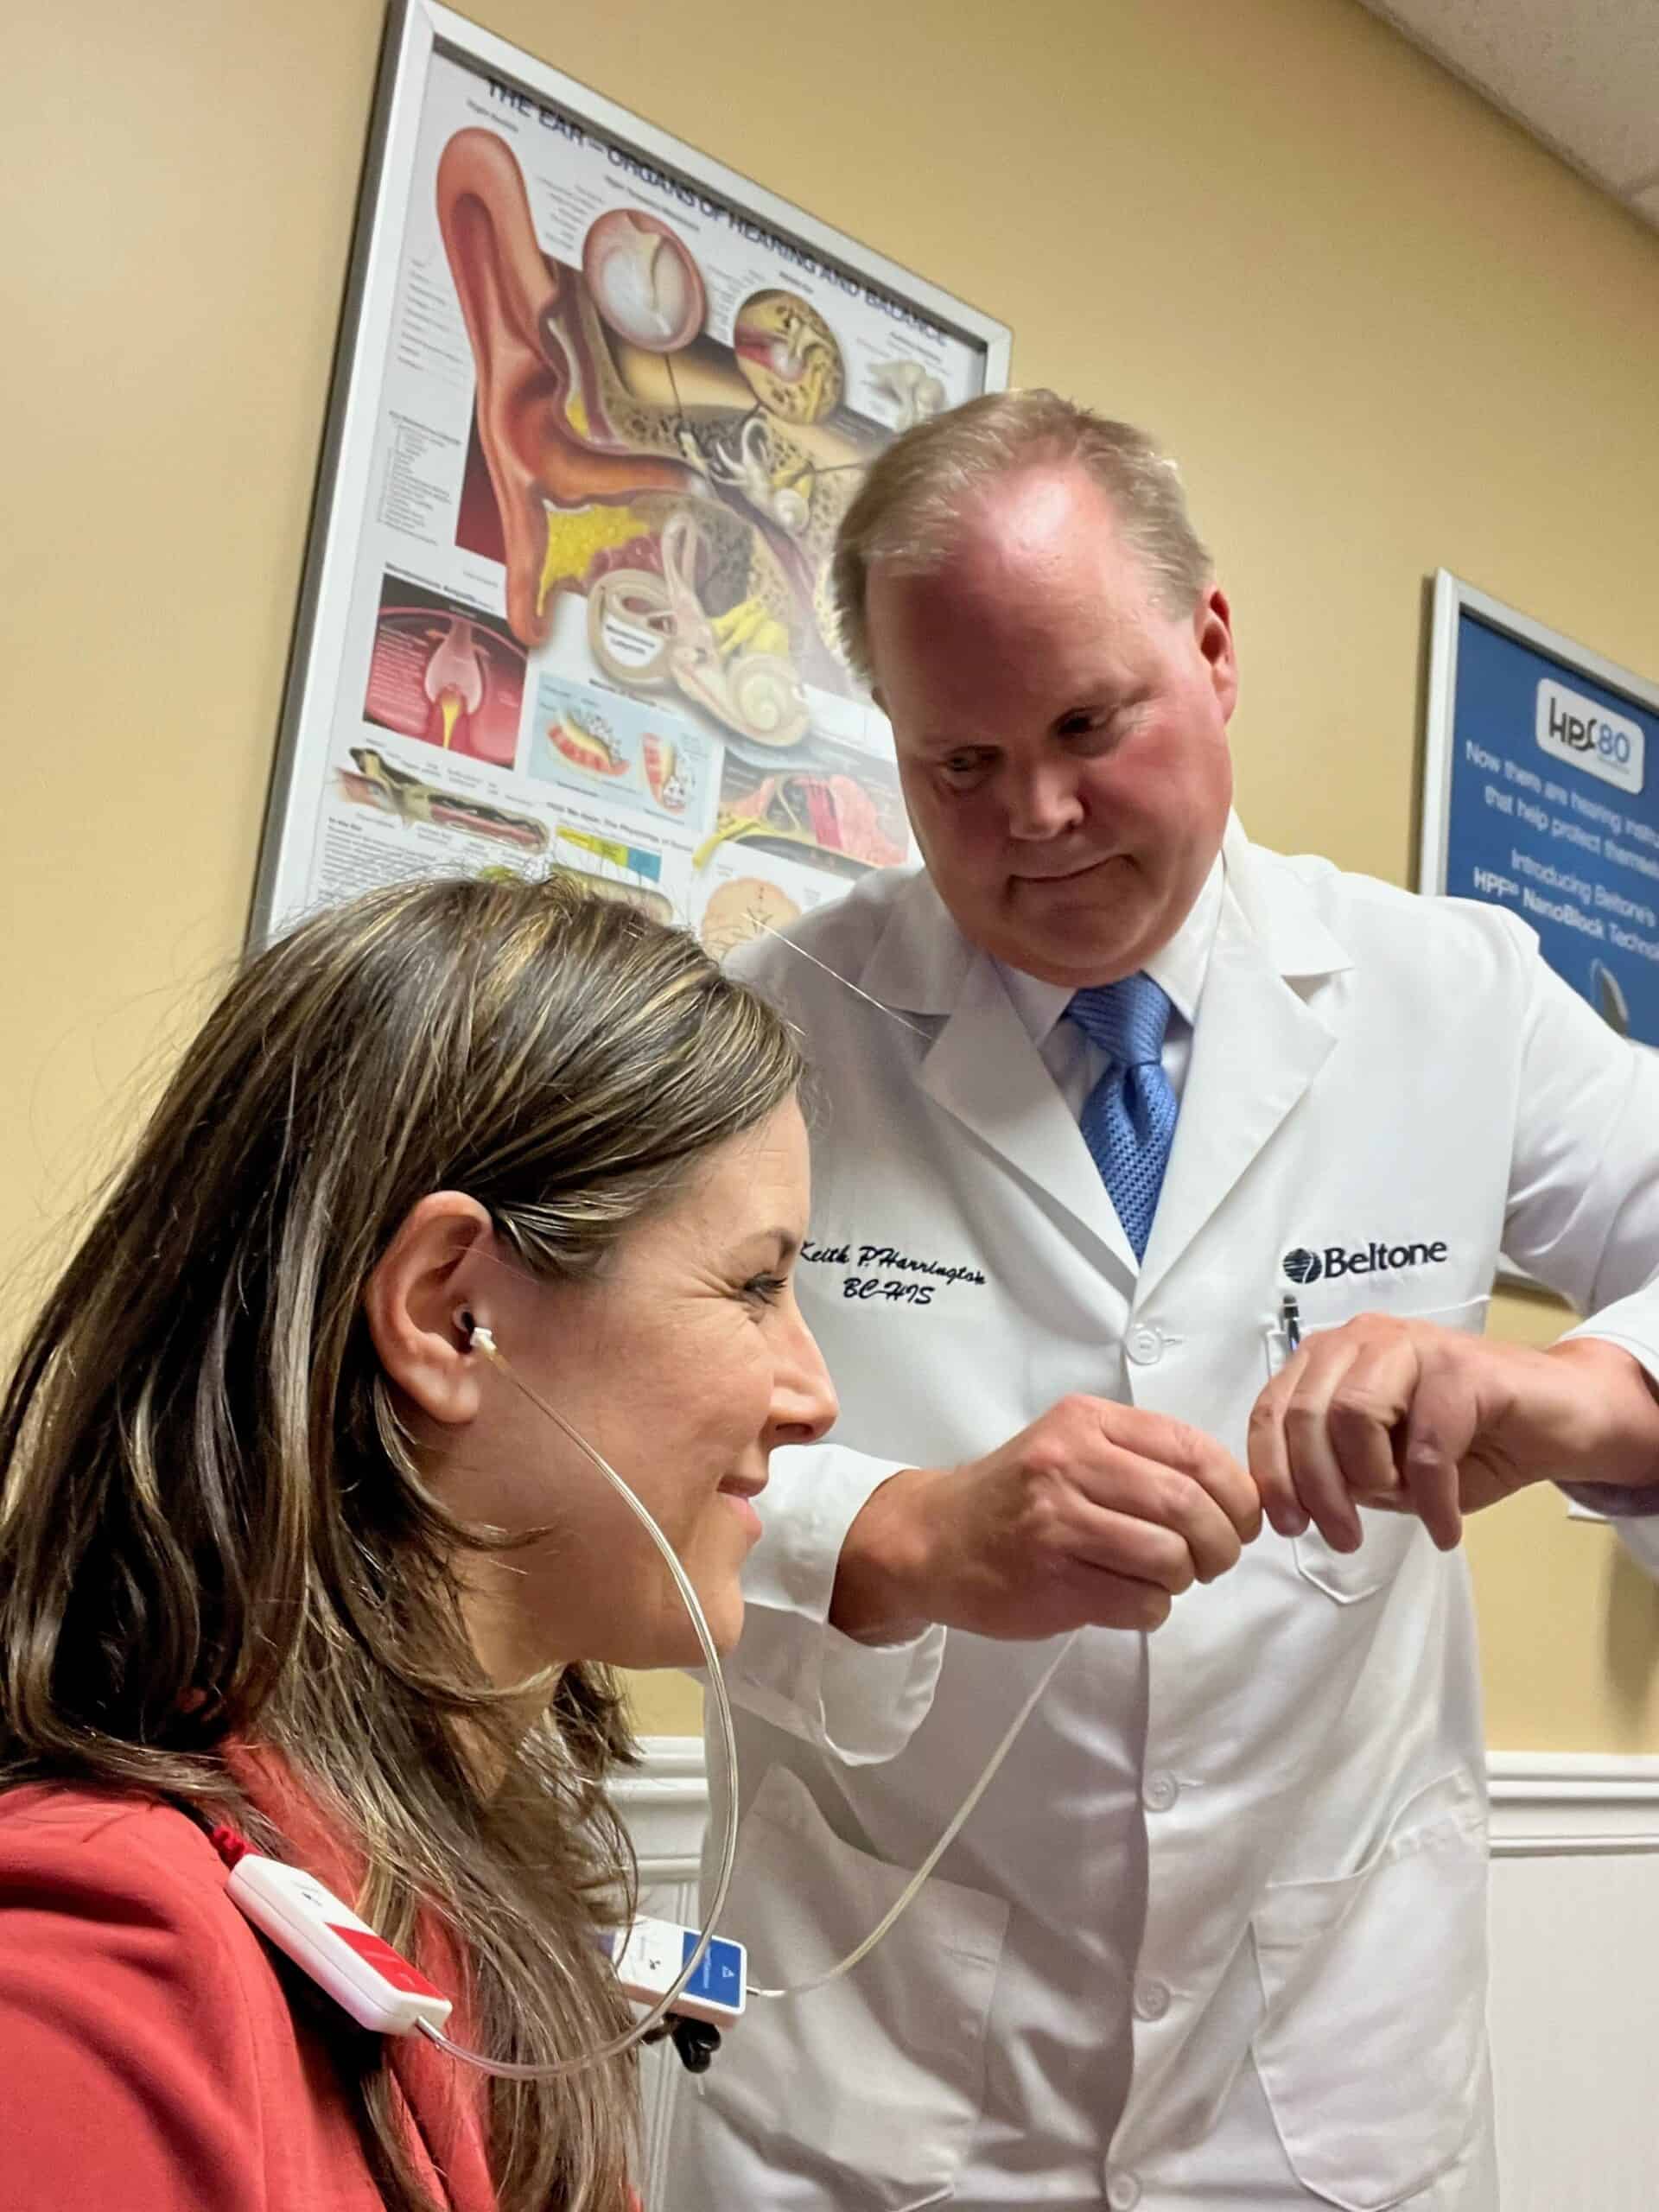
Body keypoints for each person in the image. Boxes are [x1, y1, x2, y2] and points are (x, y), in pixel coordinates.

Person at [672, 390, 1659, 2211]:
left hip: (1321, 2093)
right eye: (953, 764)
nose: (1034, 817)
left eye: (1085, 725)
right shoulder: (765, 1027)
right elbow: (592, 1436)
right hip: (866, 2088)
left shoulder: (1453, 991)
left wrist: (1587, 1396)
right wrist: (900, 1531)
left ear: (1209, 650)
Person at [0, 874, 836, 2212]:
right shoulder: (102, 1998)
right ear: (453, 1316)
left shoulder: (457, 1908)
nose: (813, 1395)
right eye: (754, 1286)